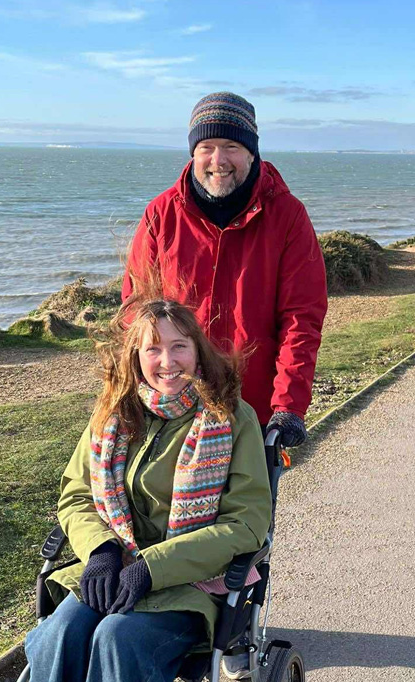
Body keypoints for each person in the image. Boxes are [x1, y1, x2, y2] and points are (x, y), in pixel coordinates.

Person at [0, 299, 272, 682]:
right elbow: (74, 496)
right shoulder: (113, 414)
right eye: (152, 349)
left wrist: (154, 566)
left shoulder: (233, 417)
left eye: (178, 347)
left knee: (116, 642)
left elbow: (246, 524)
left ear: (199, 350)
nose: (165, 361)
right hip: (111, 572)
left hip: (185, 588)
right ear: (133, 356)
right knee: (59, 635)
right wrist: (102, 552)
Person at [123, 92, 327, 447]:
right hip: (175, 409)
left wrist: (289, 406)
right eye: (206, 147)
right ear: (193, 152)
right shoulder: (161, 214)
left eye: (231, 145)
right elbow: (136, 312)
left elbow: (301, 319)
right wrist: (131, 391)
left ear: (251, 151)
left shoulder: (288, 216)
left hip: (254, 412)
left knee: (250, 504)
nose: (218, 159)